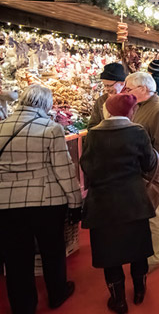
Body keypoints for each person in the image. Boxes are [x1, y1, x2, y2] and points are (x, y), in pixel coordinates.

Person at [0, 84, 82, 313]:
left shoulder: (1, 127)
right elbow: (63, 169)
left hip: (6, 203)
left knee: (15, 257)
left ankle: (23, 305)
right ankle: (57, 292)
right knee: (52, 249)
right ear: (45, 104)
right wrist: (75, 202)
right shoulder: (50, 128)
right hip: (46, 200)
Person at [80, 94, 159, 314]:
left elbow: (86, 165)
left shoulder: (93, 134)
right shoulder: (137, 132)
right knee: (138, 248)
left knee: (109, 253)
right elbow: (149, 163)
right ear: (130, 111)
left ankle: (118, 299)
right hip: (133, 199)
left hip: (102, 202)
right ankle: (140, 289)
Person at [124, 72, 159, 268]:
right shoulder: (145, 106)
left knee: (153, 215)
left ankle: (155, 257)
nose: (126, 93)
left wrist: (156, 171)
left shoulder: (158, 109)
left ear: (143, 89)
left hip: (153, 170)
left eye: (129, 89)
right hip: (149, 168)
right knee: (156, 213)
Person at [89, 63, 126, 129]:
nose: (106, 89)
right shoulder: (101, 101)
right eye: (105, 85)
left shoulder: (130, 100)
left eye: (109, 85)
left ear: (122, 83)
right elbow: (92, 126)